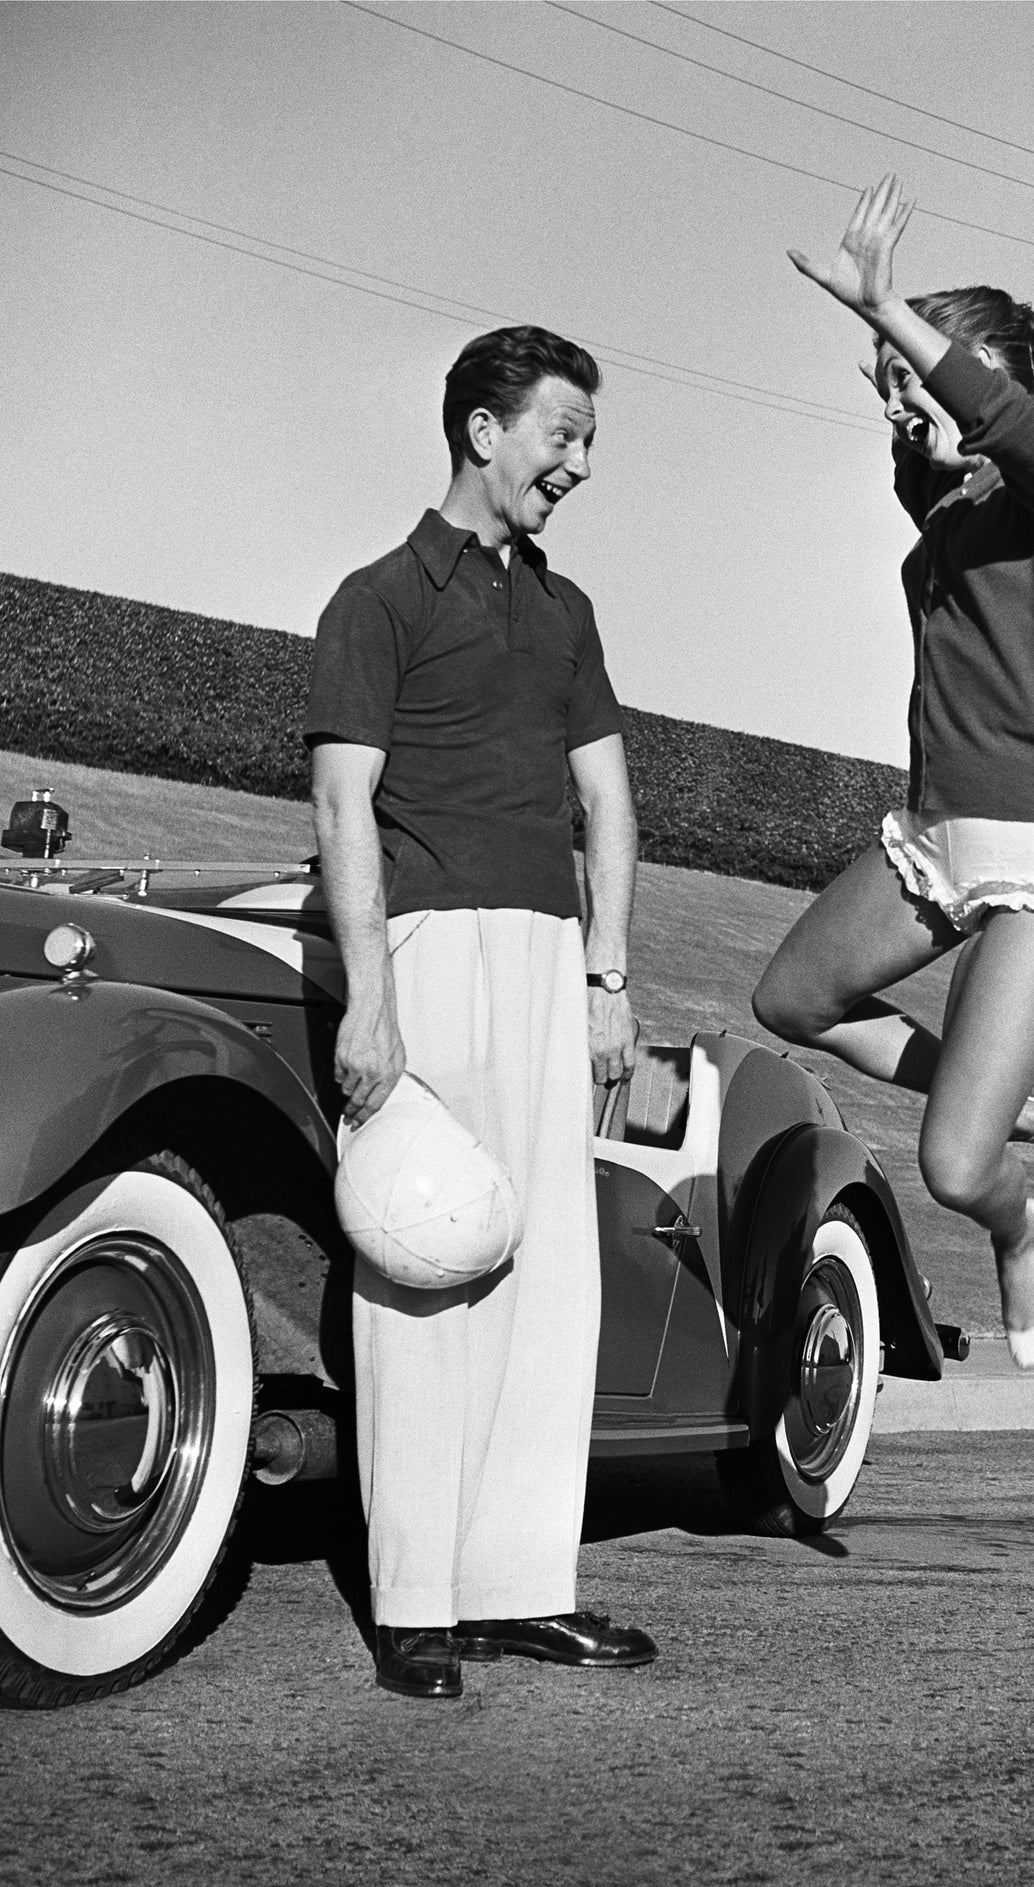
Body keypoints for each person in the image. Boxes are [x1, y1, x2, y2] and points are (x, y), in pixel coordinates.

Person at [307, 324, 656, 1698]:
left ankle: (521, 1585)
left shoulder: (563, 613)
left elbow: (610, 805)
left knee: (547, 1272)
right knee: (423, 1265)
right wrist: (369, 1007)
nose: (575, 465)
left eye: (584, 442)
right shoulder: (375, 599)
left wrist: (609, 977)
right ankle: (413, 1604)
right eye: (560, 435)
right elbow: (343, 805)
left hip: (548, 963)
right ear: (482, 430)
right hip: (425, 949)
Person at [753, 176, 1034, 1371]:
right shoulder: (951, 504)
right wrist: (892, 375)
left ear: (1002, 378)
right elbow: (938, 448)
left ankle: (1022, 1224)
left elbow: (1005, 425)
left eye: (925, 385)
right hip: (932, 835)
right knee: (792, 1003)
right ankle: (988, 1086)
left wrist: (893, 320)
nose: (909, 411)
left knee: (953, 1168)